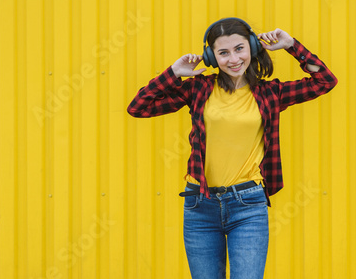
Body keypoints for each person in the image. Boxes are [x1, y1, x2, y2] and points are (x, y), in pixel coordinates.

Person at [127, 18, 338, 278]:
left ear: (251, 47)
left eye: (239, 48)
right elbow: (139, 107)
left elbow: (324, 81)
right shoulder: (199, 89)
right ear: (212, 57)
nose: (233, 59)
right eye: (223, 53)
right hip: (199, 205)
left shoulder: (269, 93)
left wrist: (291, 45)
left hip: (248, 205)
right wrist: (173, 72)